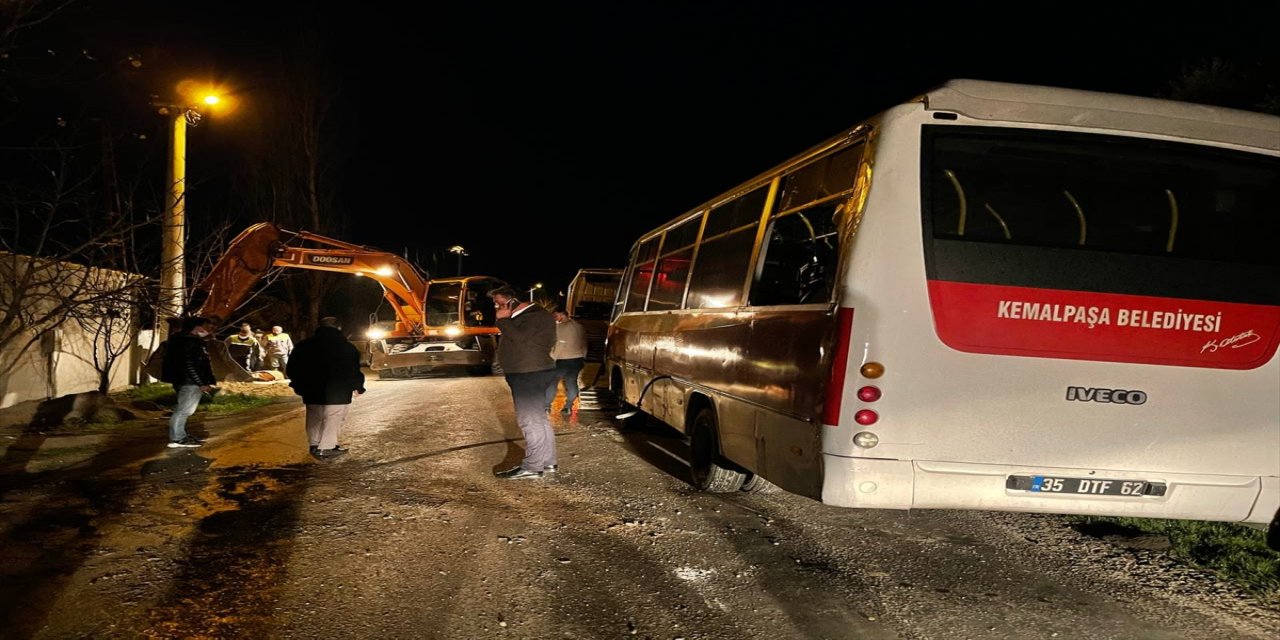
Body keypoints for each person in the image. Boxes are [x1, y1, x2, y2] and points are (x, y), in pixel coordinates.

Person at [488, 286, 559, 479]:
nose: (497, 307)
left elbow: (519, 339)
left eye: (500, 303)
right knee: (539, 419)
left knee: (529, 421)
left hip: (529, 375)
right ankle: (547, 462)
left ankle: (533, 466)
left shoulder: (534, 316)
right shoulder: (535, 316)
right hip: (532, 372)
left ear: (513, 301)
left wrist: (502, 320)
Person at [286, 317, 366, 460]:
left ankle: (314, 445)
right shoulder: (346, 347)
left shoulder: (304, 346)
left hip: (311, 389)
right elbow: (352, 370)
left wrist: (298, 384)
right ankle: (328, 447)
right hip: (338, 390)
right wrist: (357, 386)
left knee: (314, 417)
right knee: (333, 418)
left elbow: (292, 368)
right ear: (339, 328)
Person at [160, 316, 218, 448]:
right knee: (184, 410)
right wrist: (201, 383)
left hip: (183, 379)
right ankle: (178, 438)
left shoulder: (181, 339)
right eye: (206, 327)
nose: (209, 330)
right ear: (197, 327)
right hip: (189, 381)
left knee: (184, 409)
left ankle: (181, 435)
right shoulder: (189, 342)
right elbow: (190, 365)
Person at [545, 309, 587, 415]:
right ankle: (568, 407)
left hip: (562, 360)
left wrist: (551, 358)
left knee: (552, 382)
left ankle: (546, 406)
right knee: (571, 382)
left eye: (555, 315)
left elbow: (559, 345)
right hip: (577, 359)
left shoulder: (560, 328)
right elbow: (585, 344)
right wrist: (583, 357)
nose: (554, 318)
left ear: (562, 315)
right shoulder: (579, 327)